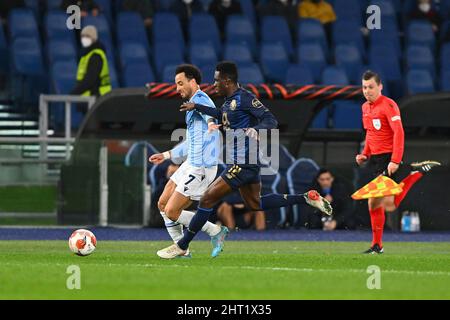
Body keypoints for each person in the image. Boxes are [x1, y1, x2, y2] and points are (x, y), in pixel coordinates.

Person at [156, 61, 333, 259]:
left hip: (243, 162)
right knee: (255, 204)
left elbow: (270, 120)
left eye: (216, 81)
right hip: (244, 164)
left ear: (227, 80)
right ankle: (306, 198)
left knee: (207, 199)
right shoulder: (227, 102)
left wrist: (255, 130)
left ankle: (182, 245)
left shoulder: (245, 98)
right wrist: (196, 106)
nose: (214, 85)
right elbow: (219, 113)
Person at [356, 70, 441, 254]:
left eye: (371, 87)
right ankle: (415, 173)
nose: (367, 91)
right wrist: (364, 153)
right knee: (386, 205)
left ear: (380, 86)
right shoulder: (365, 107)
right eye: (364, 87)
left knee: (375, 203)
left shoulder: (389, 105)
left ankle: (377, 245)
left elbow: (399, 133)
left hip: (388, 158)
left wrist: (395, 160)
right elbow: (370, 133)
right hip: (376, 160)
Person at [149, 64, 228, 259]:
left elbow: (210, 112)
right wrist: (167, 155)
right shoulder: (191, 104)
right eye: (176, 84)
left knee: (172, 211)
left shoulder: (200, 99)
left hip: (201, 167)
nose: (177, 88)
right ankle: (181, 249)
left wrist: (211, 123)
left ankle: (214, 231)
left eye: (180, 83)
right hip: (190, 163)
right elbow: (192, 141)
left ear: (192, 81)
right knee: (162, 204)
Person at [70, 25, 112, 110]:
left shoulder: (95, 56)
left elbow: (90, 80)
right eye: (83, 36)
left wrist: (74, 93)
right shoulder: (88, 54)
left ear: (93, 38)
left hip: (95, 98)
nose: (84, 39)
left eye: (87, 36)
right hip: (91, 98)